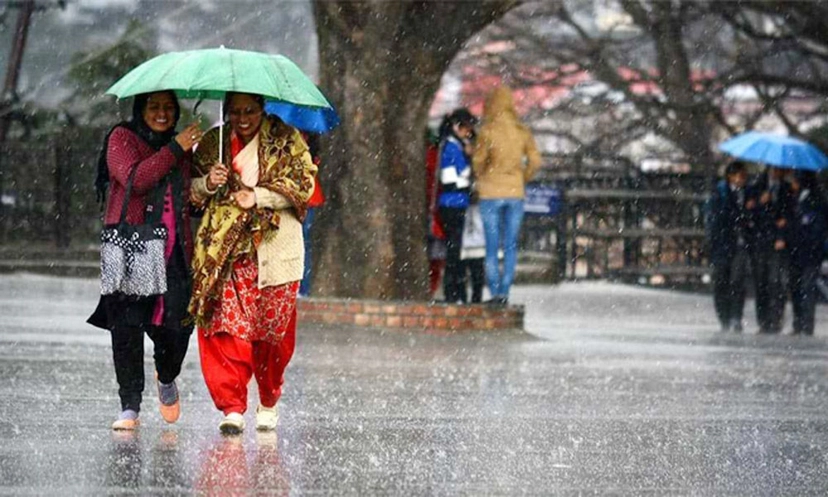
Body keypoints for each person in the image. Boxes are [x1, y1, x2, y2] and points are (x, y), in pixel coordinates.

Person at [189, 92, 316, 434]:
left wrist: (258, 196)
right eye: (235, 112)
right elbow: (190, 191)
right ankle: (232, 406)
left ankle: (269, 398)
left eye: (250, 111)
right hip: (226, 251)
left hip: (276, 249)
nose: (242, 119)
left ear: (262, 108)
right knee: (226, 326)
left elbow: (304, 185)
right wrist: (208, 183)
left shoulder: (286, 139)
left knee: (272, 334)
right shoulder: (214, 143)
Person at [88, 91, 202, 431]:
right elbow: (136, 179)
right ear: (141, 109)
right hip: (130, 243)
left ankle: (166, 375)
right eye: (154, 107)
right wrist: (176, 149)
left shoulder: (181, 147)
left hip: (174, 251)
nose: (162, 113)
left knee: (178, 326)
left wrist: (209, 183)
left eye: (168, 107)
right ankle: (130, 405)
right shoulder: (122, 137)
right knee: (127, 326)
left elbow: (191, 201)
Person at [472, 87, 542, 305]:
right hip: (514, 192)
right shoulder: (522, 131)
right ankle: (505, 291)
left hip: (490, 192)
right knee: (510, 245)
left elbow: (478, 161)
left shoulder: (487, 131)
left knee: (492, 246)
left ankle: (494, 293)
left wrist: (483, 174)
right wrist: (522, 178)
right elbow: (535, 161)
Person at [747, 166, 795, 333]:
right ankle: (763, 321)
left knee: (776, 282)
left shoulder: (786, 189)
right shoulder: (757, 187)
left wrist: (783, 231)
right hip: (760, 241)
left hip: (778, 241)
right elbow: (749, 214)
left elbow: (790, 213)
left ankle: (775, 319)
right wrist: (761, 203)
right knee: (761, 282)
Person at [437, 108, 477, 304]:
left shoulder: (454, 146)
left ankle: (455, 290)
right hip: (452, 203)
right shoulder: (452, 147)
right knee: (454, 249)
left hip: (456, 202)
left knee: (455, 248)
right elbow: (452, 179)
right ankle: (453, 290)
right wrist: (468, 182)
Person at [707, 161, 751, 332]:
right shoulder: (720, 193)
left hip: (740, 243)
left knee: (737, 281)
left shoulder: (747, 193)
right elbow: (718, 219)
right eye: (739, 176)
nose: (742, 180)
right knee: (721, 281)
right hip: (723, 243)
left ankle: (735, 316)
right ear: (731, 176)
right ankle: (724, 316)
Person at [788, 171, 827, 335]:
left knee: (807, 287)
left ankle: (806, 324)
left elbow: (818, 226)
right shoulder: (794, 198)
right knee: (796, 287)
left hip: (810, 252)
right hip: (796, 251)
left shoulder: (816, 199)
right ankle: (798, 322)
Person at [299, 133, 324, 297]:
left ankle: (302, 287)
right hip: (299, 196)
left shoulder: (310, 143)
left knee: (303, 242)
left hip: (307, 197)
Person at [425, 128, 447, 299]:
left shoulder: (429, 156)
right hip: (437, 210)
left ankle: (432, 288)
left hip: (430, 209)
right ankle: (433, 288)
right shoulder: (436, 155)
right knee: (437, 257)